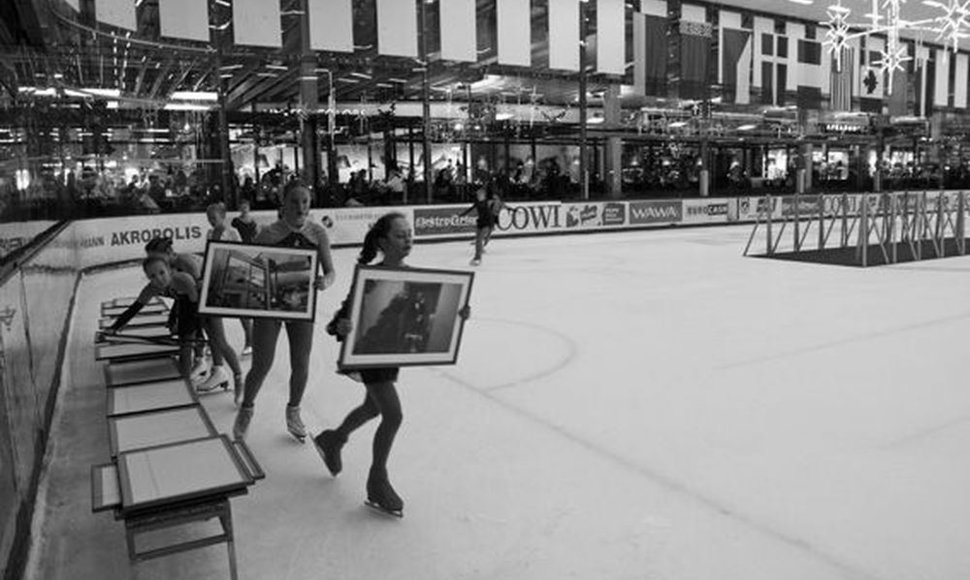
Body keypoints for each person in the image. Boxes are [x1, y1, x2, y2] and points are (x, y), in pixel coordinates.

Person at [313, 212, 470, 516]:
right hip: (371, 352)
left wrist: (457, 313)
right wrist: (341, 326)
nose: (408, 238)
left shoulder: (415, 277)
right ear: (384, 242)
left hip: (389, 353)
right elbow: (340, 319)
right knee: (393, 415)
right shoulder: (369, 278)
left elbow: (430, 312)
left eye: (409, 233)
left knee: (373, 407)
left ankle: (334, 439)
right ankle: (377, 480)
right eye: (400, 235)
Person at [232, 180, 336, 442]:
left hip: (302, 307)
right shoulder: (268, 233)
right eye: (294, 201)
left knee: (301, 363)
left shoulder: (318, 233)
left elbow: (331, 271)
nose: (300, 206)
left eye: (305, 201)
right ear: (283, 203)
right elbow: (251, 268)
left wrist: (325, 281)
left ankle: (293, 411)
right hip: (270, 306)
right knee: (262, 364)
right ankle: (247, 408)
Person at [100, 256, 202, 380]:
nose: (159, 279)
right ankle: (188, 374)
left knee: (188, 340)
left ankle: (197, 364)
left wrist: (195, 333)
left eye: (162, 273)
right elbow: (134, 309)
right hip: (185, 302)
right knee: (185, 342)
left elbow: (195, 309)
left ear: (169, 270)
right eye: (152, 276)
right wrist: (114, 327)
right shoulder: (151, 289)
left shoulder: (184, 280)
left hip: (204, 300)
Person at [211, 202, 254, 356]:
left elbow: (241, 253)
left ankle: (250, 341)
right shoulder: (210, 233)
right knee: (213, 310)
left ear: (222, 217)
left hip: (235, 273)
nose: (211, 220)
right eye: (208, 218)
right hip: (218, 274)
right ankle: (216, 343)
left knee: (240, 308)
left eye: (214, 217)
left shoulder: (233, 232)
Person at [459, 187, 497, 266]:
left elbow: (492, 209)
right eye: (478, 195)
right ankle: (478, 255)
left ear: (484, 195)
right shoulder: (477, 202)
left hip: (487, 223)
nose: (478, 196)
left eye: (480, 195)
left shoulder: (488, 202)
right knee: (477, 240)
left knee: (479, 240)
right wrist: (461, 215)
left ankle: (478, 258)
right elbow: (471, 209)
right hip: (480, 223)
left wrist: (492, 225)